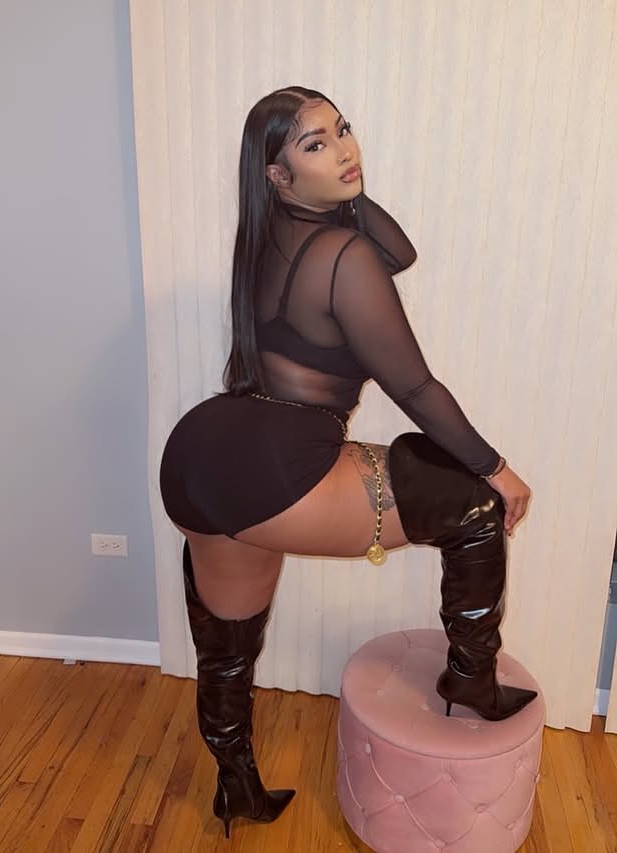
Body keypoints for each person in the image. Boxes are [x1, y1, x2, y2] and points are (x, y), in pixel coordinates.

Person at [159, 85, 537, 839]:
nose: (344, 149)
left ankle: (236, 786)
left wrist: (342, 188)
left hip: (200, 455)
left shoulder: (267, 233)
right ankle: (471, 678)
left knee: (229, 646)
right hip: (280, 466)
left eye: (343, 131)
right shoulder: (342, 256)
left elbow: (402, 253)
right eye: (316, 145)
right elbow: (414, 386)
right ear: (277, 175)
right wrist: (497, 468)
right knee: (471, 502)